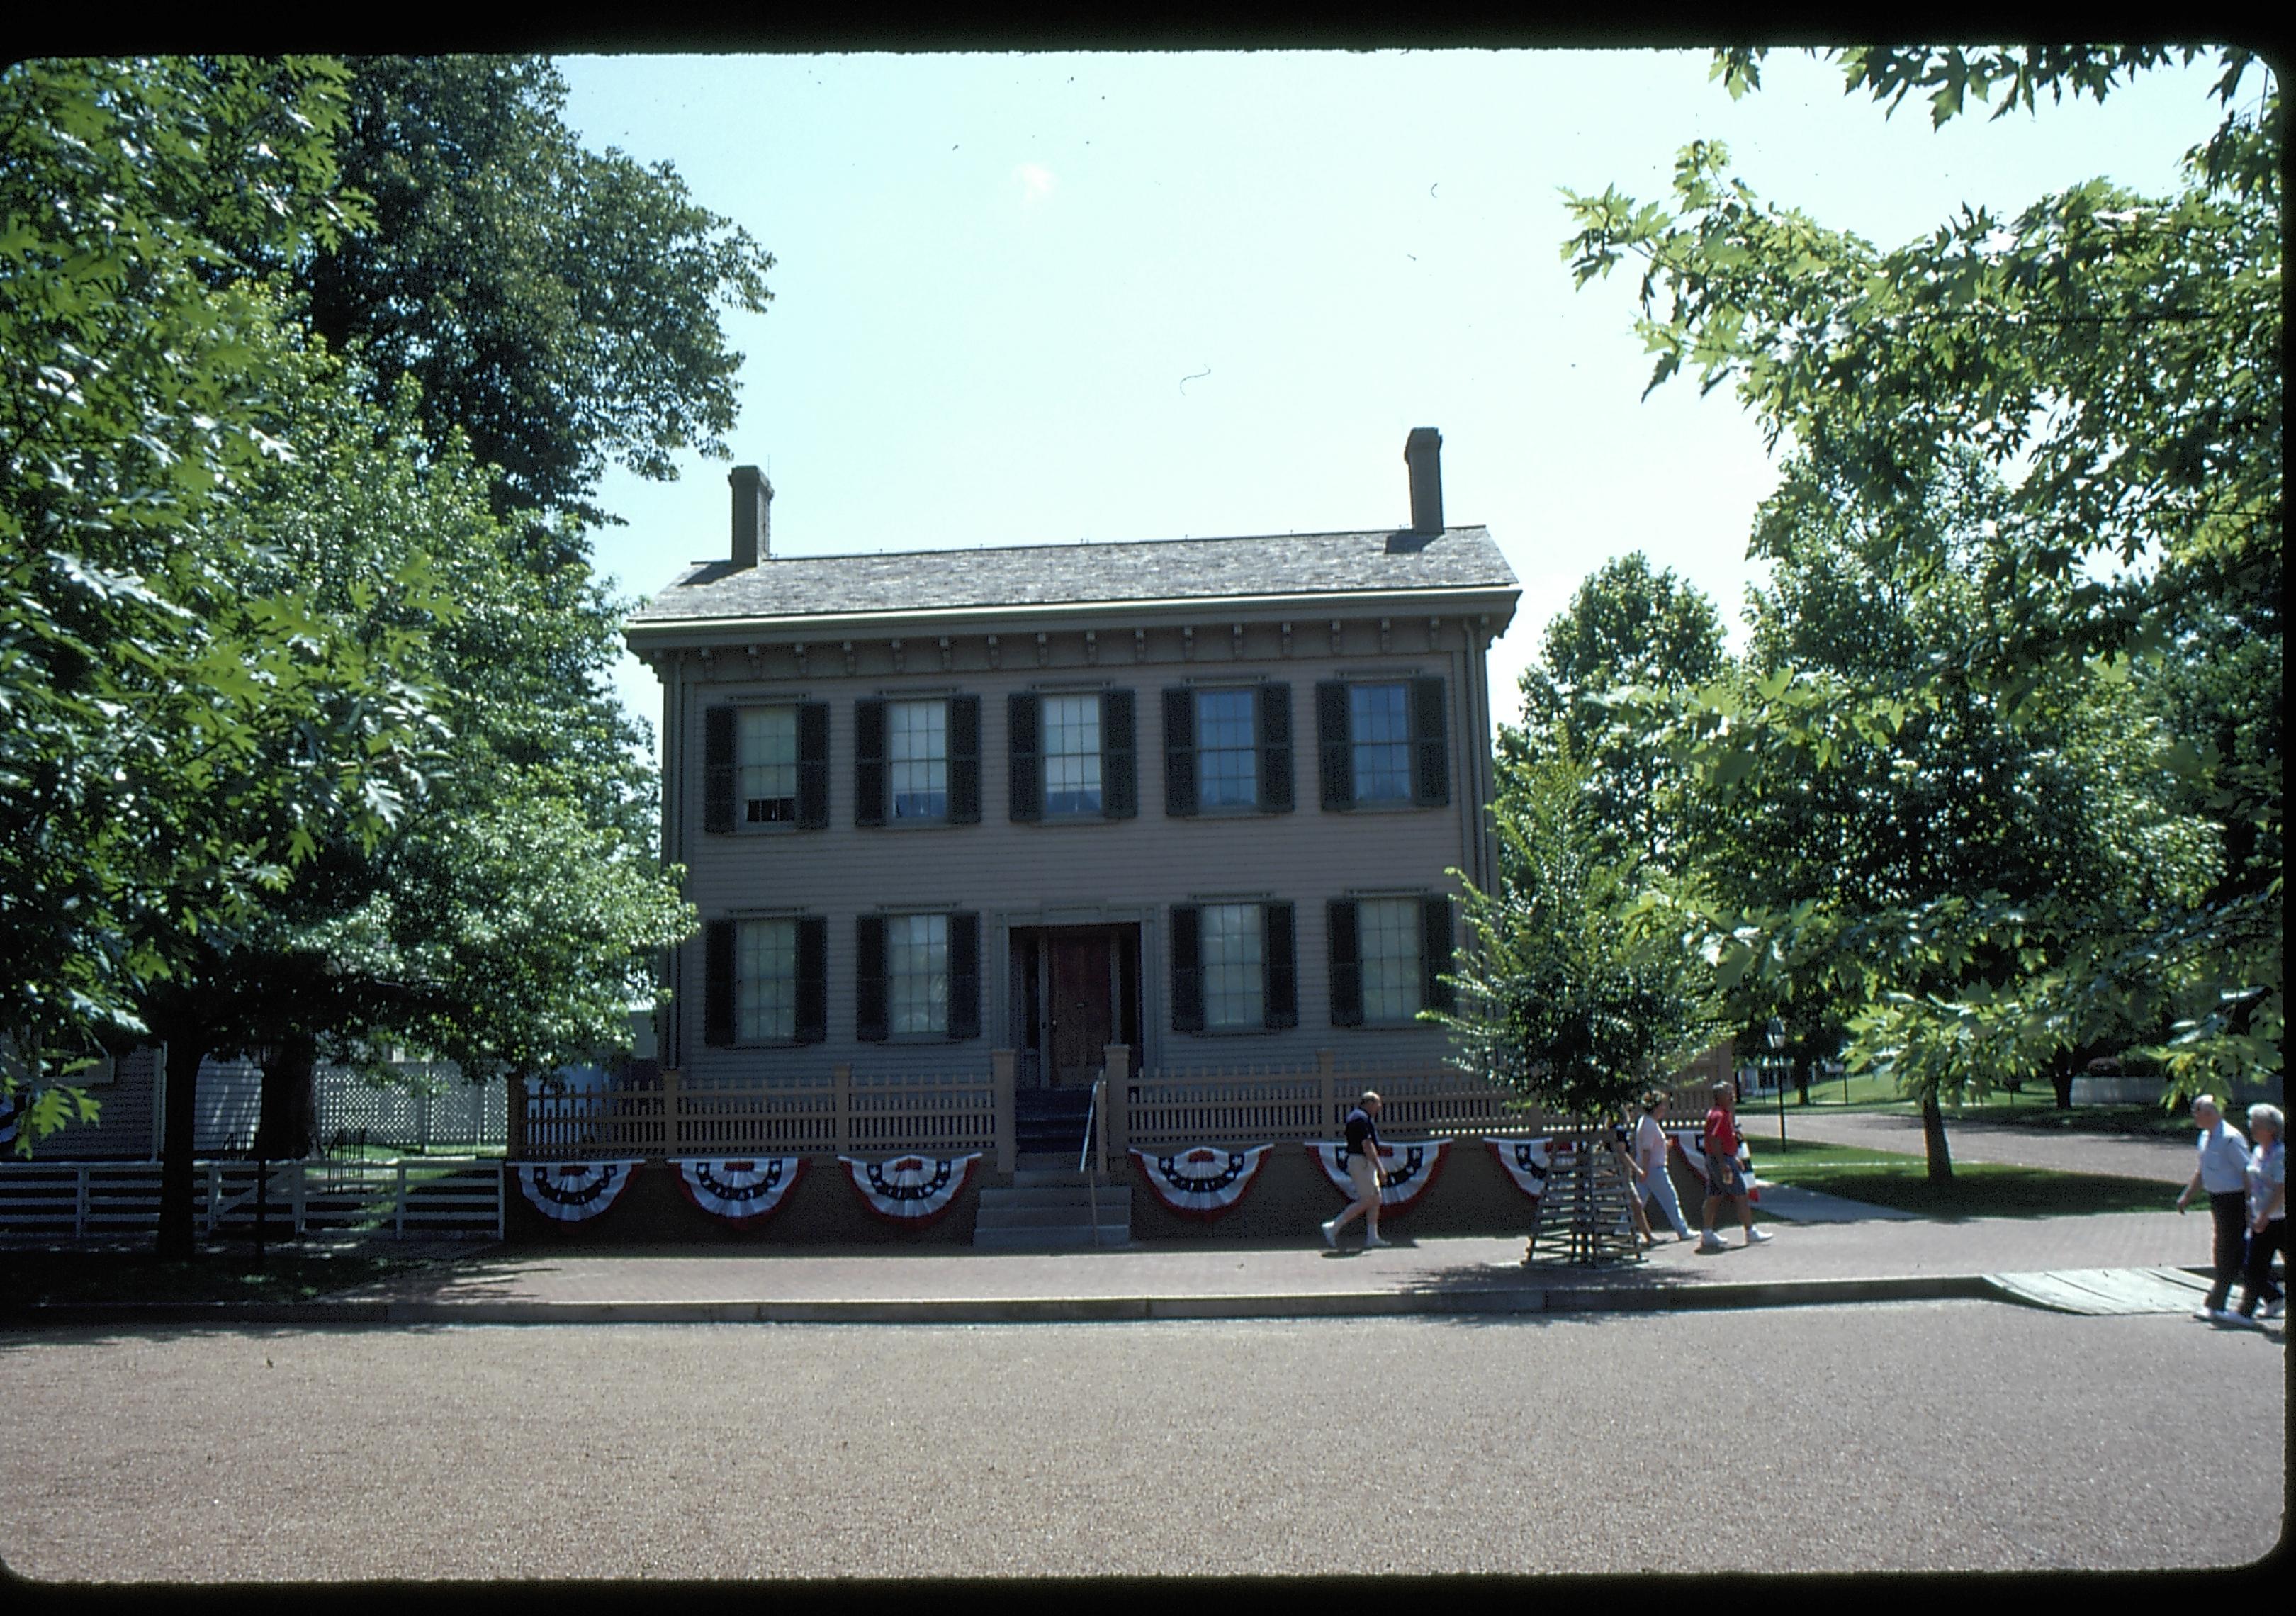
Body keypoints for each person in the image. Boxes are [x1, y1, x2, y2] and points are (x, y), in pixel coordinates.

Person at [2175, 1094, 2254, 1323]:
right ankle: (2271, 1295)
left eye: (2198, 1112)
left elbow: (2247, 1172)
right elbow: (2203, 1171)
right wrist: (2187, 1196)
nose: (2195, 1116)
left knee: (2226, 1250)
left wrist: (2250, 1204)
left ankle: (2216, 1302)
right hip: (2218, 1199)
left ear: (2212, 1114)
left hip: (2235, 1199)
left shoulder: (2230, 1139)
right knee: (2234, 1250)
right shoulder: (2205, 1138)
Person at [1698, 1079, 1771, 1253]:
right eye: (1728, 1093)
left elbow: (1722, 1139)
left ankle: (1707, 1233)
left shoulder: (1717, 1113)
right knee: (1741, 1195)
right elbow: (1715, 1140)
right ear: (1720, 1096)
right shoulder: (1720, 1116)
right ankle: (1750, 1231)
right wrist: (1724, 1163)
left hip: (1719, 1159)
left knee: (1714, 1195)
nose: (1732, 1096)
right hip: (1721, 1161)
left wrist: (1733, 1157)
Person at [2230, 1103, 2285, 1326]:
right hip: (2262, 1218)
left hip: (2279, 1219)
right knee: (2252, 1265)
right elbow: (2253, 1182)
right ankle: (2264, 1304)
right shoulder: (2258, 1151)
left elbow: (2282, 1187)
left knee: (2254, 1265)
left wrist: (2265, 1213)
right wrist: (2251, 1209)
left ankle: (2249, 1310)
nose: (2251, 1128)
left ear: (2271, 1129)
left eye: (2256, 1125)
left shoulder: (2280, 1154)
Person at [1321, 1090, 1388, 1250]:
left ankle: (1372, 1236)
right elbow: (1367, 1145)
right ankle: (1334, 1226)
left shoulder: (1360, 1117)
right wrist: (1379, 1167)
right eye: (1377, 1104)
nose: (1379, 1108)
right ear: (1369, 1103)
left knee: (1376, 1197)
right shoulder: (1360, 1119)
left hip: (1363, 1162)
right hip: (1361, 1162)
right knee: (1368, 1199)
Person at [1630, 1089, 1694, 1242]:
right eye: (1662, 1106)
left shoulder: (1646, 1122)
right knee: (1670, 1198)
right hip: (1654, 1169)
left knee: (1638, 1200)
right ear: (1655, 1107)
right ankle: (1682, 1230)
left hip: (1648, 1168)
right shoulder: (1650, 1125)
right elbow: (1646, 1150)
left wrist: (1664, 1146)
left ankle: (1623, 1229)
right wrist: (1644, 1170)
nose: (1664, 1109)